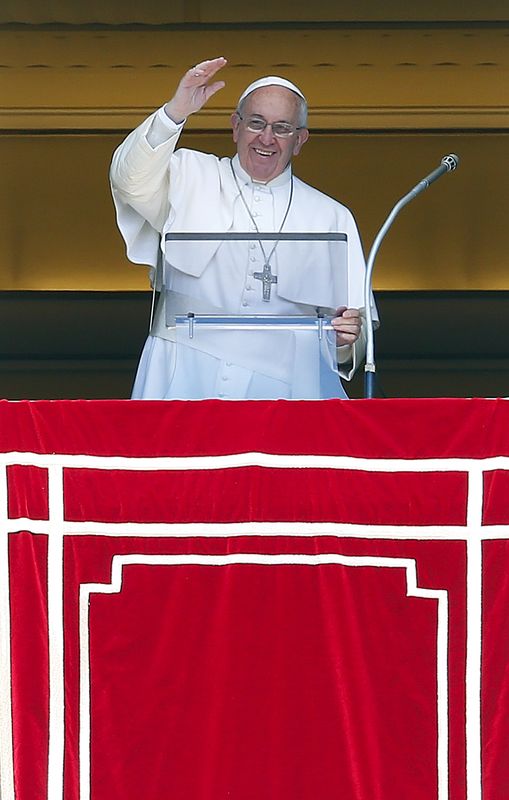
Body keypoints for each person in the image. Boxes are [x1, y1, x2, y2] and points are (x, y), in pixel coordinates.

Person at [110, 57, 376, 400]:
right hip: (184, 370)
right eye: (255, 123)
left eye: (282, 128)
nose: (266, 138)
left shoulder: (331, 216)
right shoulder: (188, 175)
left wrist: (343, 341)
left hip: (287, 386)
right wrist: (175, 112)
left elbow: (357, 332)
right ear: (235, 127)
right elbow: (128, 180)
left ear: (299, 140)